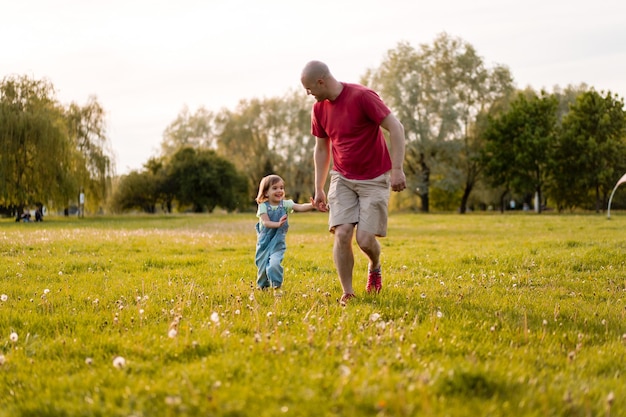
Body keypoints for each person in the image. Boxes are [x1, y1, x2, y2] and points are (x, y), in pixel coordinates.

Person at [300, 60, 407, 304]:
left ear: (321, 81)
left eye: (309, 89)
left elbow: (396, 127)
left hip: (374, 178)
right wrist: (319, 188)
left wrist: (397, 169)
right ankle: (347, 292)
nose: (308, 94)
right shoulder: (319, 109)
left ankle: (375, 265)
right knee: (342, 233)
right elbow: (321, 148)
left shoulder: (362, 97)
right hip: (343, 177)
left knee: (365, 240)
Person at [255, 174, 315, 290]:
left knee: (274, 264)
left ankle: (276, 286)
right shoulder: (263, 206)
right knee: (262, 267)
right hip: (264, 243)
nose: (279, 190)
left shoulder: (286, 204)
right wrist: (278, 224)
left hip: (278, 242)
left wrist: (312, 205)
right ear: (266, 192)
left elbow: (300, 207)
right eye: (275, 188)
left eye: (281, 188)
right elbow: (266, 222)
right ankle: (263, 287)